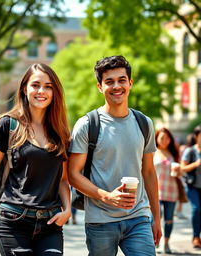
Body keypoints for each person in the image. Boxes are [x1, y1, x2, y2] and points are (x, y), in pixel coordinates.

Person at [68, 55, 162, 256]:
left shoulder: (144, 123)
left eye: (121, 80)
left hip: (138, 217)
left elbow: (149, 172)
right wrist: (107, 196)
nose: (116, 86)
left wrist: (156, 217)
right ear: (100, 87)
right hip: (100, 220)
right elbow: (73, 174)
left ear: (130, 83)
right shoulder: (87, 125)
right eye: (109, 81)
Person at [0, 63, 71, 256]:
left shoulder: (60, 133)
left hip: (51, 224)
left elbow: (62, 179)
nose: (41, 91)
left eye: (48, 86)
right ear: (24, 88)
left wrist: (68, 210)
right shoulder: (8, 125)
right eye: (35, 85)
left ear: (55, 92)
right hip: (14, 220)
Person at [154, 128, 181, 254]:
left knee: (169, 220)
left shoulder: (173, 153)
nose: (165, 140)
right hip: (156, 191)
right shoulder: (152, 151)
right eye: (162, 138)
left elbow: (180, 172)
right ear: (157, 138)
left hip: (171, 190)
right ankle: (156, 241)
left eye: (167, 138)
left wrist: (179, 171)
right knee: (156, 218)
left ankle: (166, 243)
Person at [181, 125, 201, 249]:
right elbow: (183, 167)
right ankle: (195, 236)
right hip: (193, 186)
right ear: (196, 136)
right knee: (196, 209)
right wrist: (196, 164)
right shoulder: (190, 151)